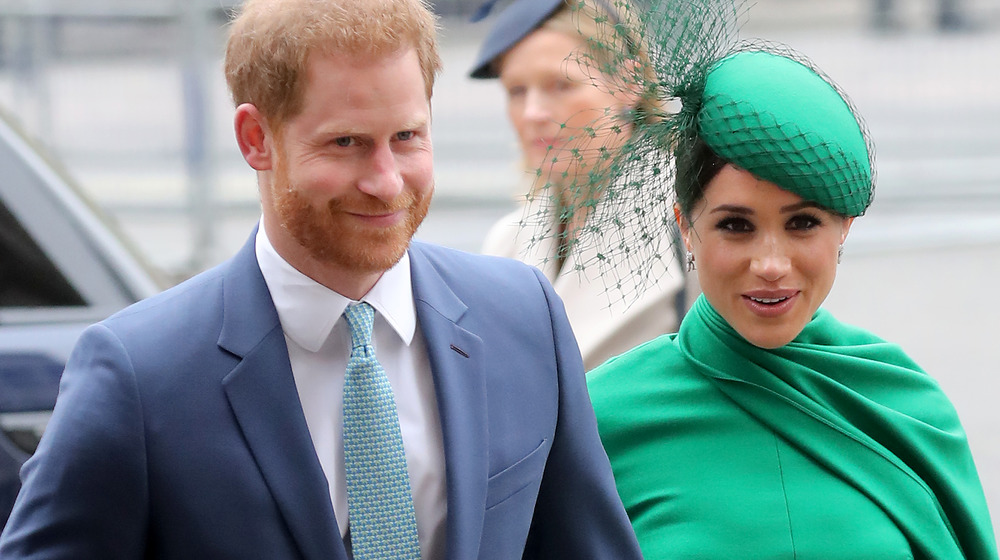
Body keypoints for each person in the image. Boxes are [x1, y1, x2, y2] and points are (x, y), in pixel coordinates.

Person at [0, 0, 643, 558]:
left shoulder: (523, 317)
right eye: (346, 144)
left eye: (408, 137)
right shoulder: (138, 375)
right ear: (257, 139)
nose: (387, 180)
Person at [577, 2, 998, 556]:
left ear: (844, 227)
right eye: (735, 225)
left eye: (802, 223)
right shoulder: (604, 420)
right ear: (684, 225)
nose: (771, 264)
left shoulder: (907, 405)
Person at [469, 0, 689, 370]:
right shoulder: (505, 243)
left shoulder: (694, 222)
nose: (533, 113)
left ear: (629, 83)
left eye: (561, 85)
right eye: (517, 91)